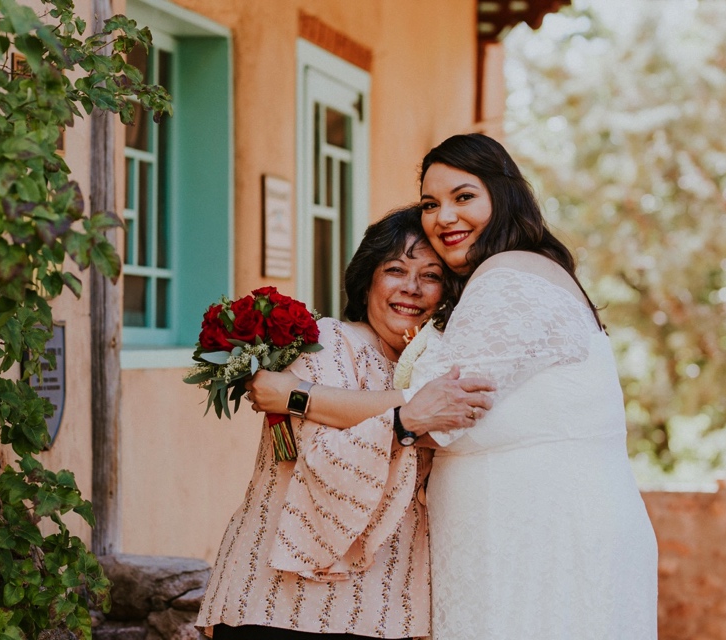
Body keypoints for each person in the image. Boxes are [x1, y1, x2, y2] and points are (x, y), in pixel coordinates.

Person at [247, 134, 658, 639]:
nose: (443, 217)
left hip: (544, 540)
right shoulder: (505, 277)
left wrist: (296, 395)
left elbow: (429, 408)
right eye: (430, 204)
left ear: (503, 197)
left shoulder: (510, 276)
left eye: (463, 197)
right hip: (509, 542)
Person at [195, 205, 495, 640]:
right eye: (396, 269)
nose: (411, 288)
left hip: (386, 610)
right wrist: (407, 419)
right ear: (367, 278)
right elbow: (328, 463)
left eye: (430, 276)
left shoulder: (432, 368)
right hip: (287, 607)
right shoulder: (333, 342)